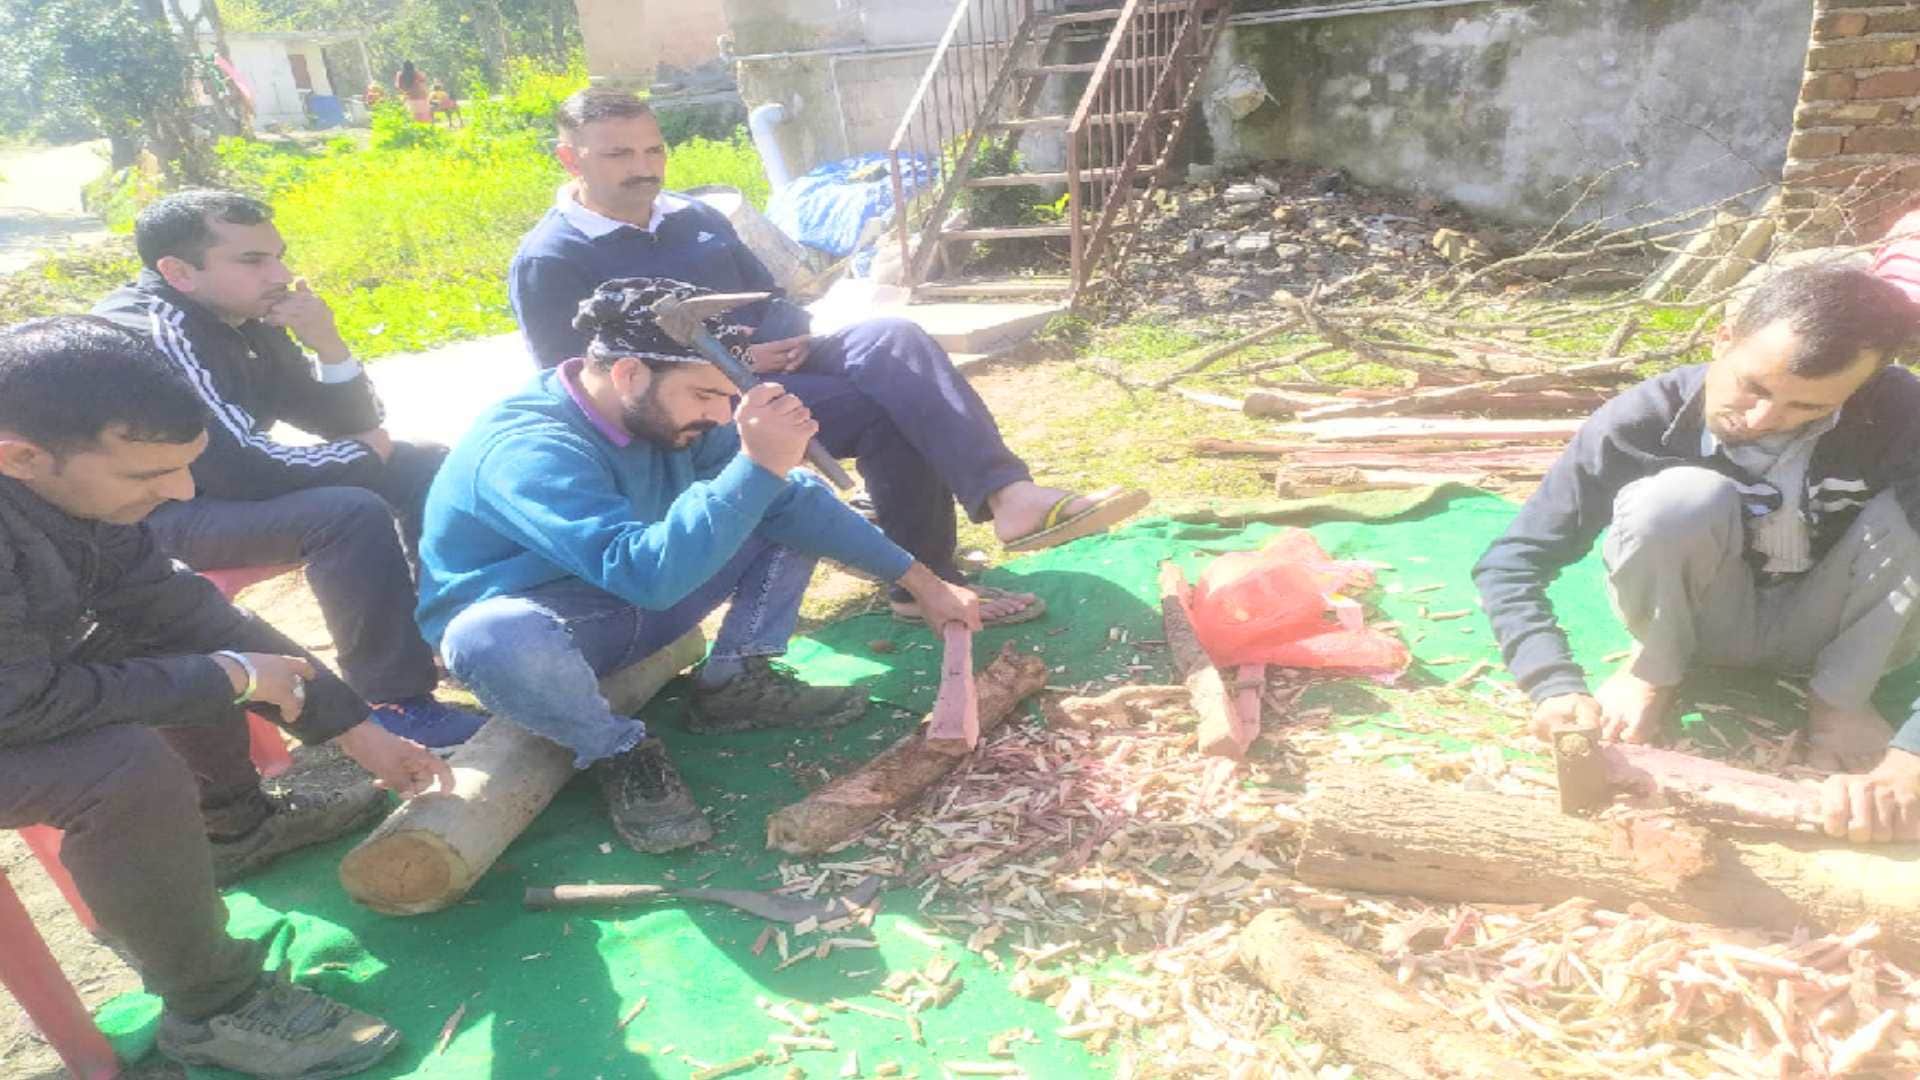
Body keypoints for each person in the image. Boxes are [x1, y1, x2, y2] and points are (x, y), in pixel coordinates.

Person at [506, 88, 1152, 627]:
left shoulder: (696, 217)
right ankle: (922, 578)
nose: (643, 165)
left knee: (892, 339)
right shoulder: (552, 257)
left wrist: (788, 337)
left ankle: (1009, 496)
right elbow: (584, 382)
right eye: (619, 153)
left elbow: (774, 296)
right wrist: (734, 357)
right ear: (572, 159)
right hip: (697, 410)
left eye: (653, 148)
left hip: (777, 367)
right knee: (883, 409)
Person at [0, 316, 455, 1078]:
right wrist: (232, 676)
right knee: (120, 770)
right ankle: (211, 1008)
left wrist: (357, 728)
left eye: (184, 468)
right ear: (23, 457)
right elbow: (18, 704)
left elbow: (183, 611)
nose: (178, 493)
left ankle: (234, 828)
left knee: (188, 647)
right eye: (147, 478)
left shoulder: (64, 491)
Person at [414, 278, 982, 853]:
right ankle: (618, 749)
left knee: (782, 503)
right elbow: (644, 576)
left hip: (641, 599)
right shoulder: (527, 447)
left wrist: (922, 582)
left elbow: (790, 505)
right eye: (705, 396)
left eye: (727, 396)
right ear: (629, 374)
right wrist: (759, 466)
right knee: (490, 636)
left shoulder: (662, 413)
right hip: (552, 630)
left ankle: (735, 682)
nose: (720, 415)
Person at [1473, 264, 1920, 845]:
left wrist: (1911, 755)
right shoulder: (1643, 421)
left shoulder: (1904, 417)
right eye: (1753, 387)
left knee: (1907, 518)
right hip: (1701, 621)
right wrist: (1552, 682)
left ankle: (1839, 701)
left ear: (1861, 388)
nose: (1761, 421)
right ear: (1724, 336)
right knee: (1677, 500)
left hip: (1843, 628)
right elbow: (1512, 562)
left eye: (1807, 409)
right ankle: (1656, 672)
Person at [93, 190, 485, 747]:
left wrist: (325, 342)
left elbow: (345, 420)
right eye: (253, 261)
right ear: (178, 271)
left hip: (211, 491)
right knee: (346, 513)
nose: (281, 274)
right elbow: (240, 467)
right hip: (144, 517)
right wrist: (360, 454)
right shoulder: (156, 332)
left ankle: (450, 635)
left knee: (424, 464)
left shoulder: (242, 315)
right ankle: (395, 701)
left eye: (278, 255)